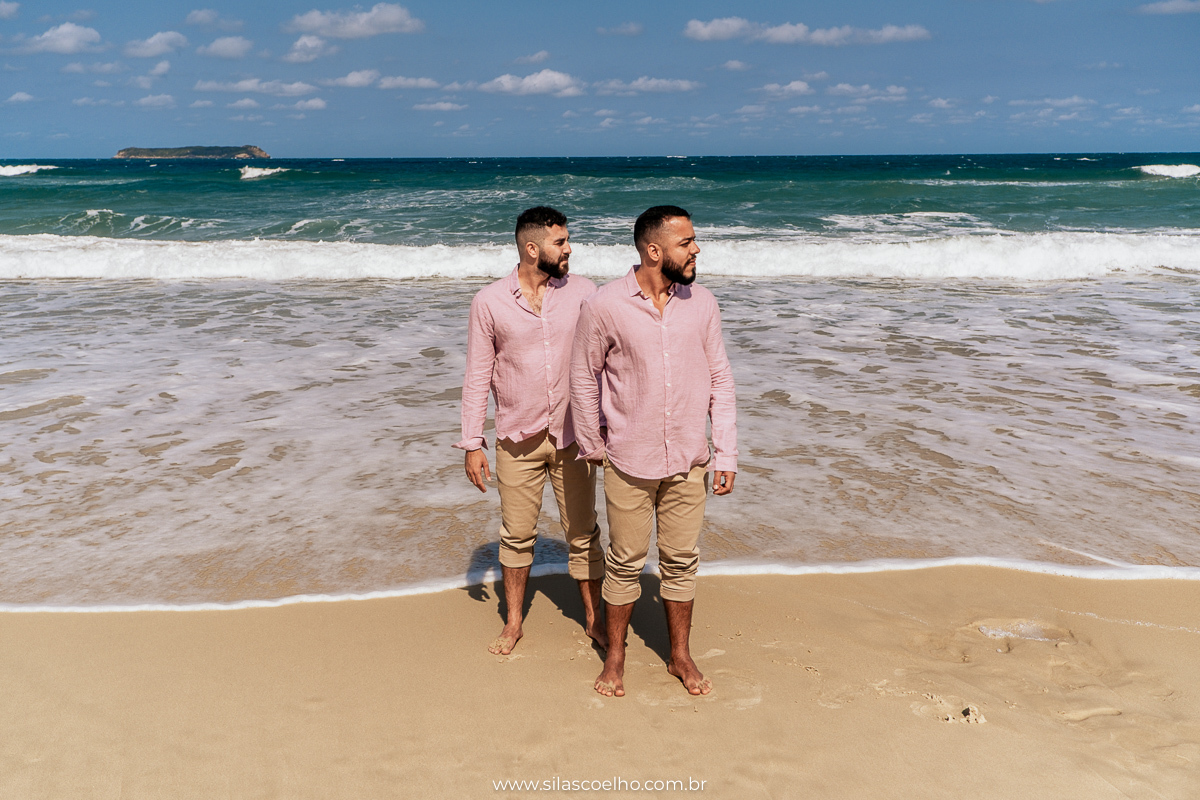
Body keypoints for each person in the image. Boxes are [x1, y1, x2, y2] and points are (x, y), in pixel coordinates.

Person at [570, 205, 737, 697]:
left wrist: (725, 453)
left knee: (682, 558)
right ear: (653, 250)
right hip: (629, 459)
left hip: (690, 459)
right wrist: (593, 442)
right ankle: (615, 655)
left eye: (693, 240)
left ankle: (679, 654)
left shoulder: (702, 303)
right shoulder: (604, 305)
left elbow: (720, 379)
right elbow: (584, 375)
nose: (696, 248)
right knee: (625, 561)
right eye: (686, 242)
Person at [455, 206, 606, 656]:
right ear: (532, 248)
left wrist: (607, 425)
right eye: (561, 242)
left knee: (583, 533)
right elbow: (477, 375)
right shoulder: (489, 301)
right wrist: (471, 443)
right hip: (516, 438)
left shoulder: (584, 292)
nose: (569, 248)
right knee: (517, 533)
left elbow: (605, 364)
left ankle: (595, 620)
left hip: (574, 437)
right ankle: (514, 622)